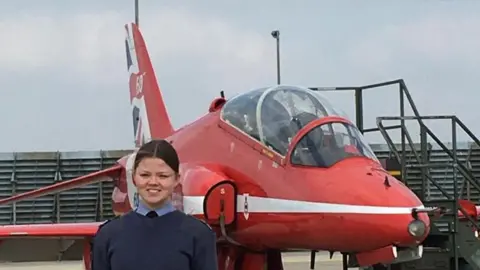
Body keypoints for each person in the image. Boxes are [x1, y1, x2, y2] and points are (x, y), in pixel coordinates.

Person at [91, 139, 218, 270]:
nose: (153, 182)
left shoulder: (199, 235)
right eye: (145, 175)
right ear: (134, 178)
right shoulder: (107, 235)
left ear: (176, 179)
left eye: (162, 176)